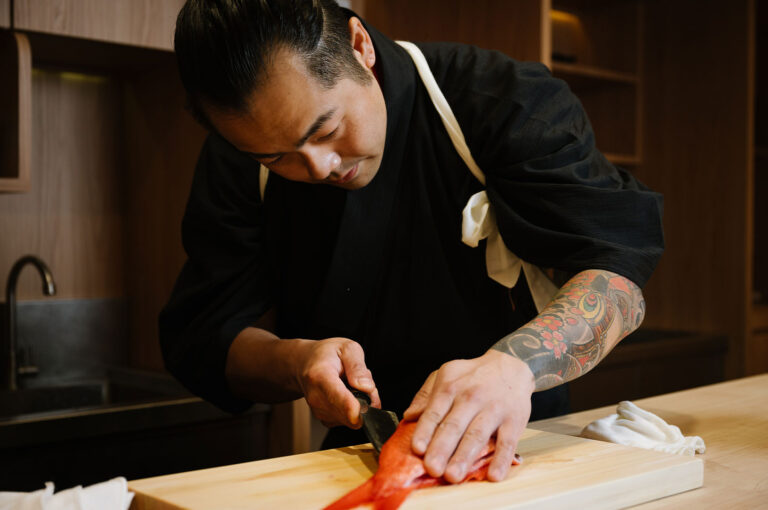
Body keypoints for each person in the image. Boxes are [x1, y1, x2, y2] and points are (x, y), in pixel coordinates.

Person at [160, 0, 664, 483]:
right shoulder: (238, 160)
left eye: (328, 128)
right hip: (360, 448)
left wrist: (516, 368)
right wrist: (297, 362)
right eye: (276, 158)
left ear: (360, 46)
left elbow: (616, 269)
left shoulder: (500, 99)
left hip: (522, 435)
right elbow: (209, 335)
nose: (318, 168)